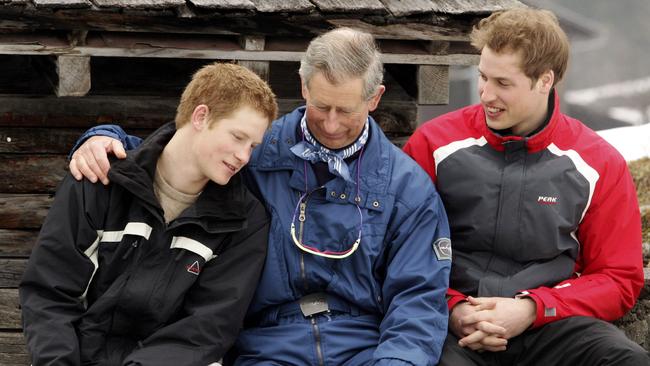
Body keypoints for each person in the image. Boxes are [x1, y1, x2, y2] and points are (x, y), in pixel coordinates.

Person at [67, 27, 452, 365]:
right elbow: (177, 155)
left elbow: (418, 300)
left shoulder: (408, 189)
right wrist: (104, 138)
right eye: (320, 106)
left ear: (375, 98)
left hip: (365, 345)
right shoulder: (254, 152)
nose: (331, 124)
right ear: (303, 87)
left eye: (345, 110)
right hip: (265, 345)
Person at [403, 8, 649, 365]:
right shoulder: (434, 144)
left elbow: (619, 278)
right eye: (483, 77)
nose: (486, 94)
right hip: (453, 327)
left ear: (545, 81)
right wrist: (452, 307)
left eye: (503, 84)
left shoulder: (598, 163)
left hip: (552, 325)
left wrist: (534, 309)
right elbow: (398, 250)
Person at [20, 62, 278, 366]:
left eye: (252, 145)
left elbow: (206, 329)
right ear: (200, 116)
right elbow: (50, 294)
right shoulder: (100, 182)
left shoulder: (244, 220)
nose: (244, 156)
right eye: (237, 136)